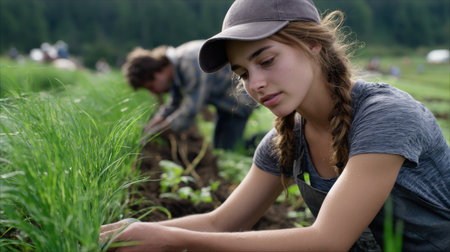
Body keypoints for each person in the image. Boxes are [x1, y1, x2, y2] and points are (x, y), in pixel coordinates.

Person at [100, 0, 450, 251]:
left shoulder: (385, 117)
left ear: (313, 44)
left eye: (266, 60)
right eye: (243, 74)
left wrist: (171, 239)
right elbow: (221, 223)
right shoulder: (284, 141)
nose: (255, 84)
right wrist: (133, 231)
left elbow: (328, 240)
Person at [122, 41, 255, 150]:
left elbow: (190, 110)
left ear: (157, 73)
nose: (153, 92)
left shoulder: (190, 63)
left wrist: (155, 133)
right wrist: (149, 127)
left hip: (239, 103)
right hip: (226, 107)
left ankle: (262, 143)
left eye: (151, 87)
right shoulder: (176, 69)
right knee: (219, 148)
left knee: (227, 150)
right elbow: (173, 105)